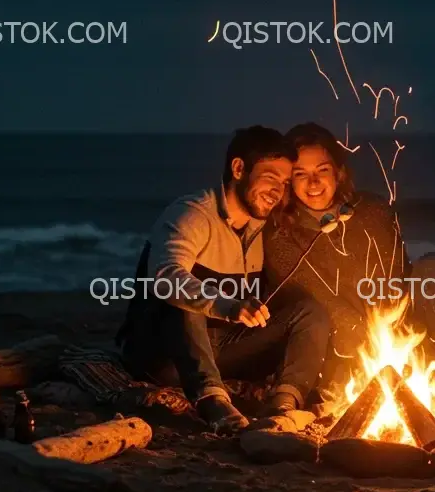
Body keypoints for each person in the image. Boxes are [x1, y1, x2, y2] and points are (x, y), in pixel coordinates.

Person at [263, 122, 435, 429]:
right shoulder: (280, 234)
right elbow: (313, 301)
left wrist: (397, 333)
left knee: (433, 267)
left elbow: (396, 279)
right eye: (300, 174)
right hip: (341, 351)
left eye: (322, 170)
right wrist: (375, 349)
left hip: (398, 333)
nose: (313, 182)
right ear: (288, 181)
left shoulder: (372, 208)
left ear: (338, 171)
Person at [116, 126, 331, 434]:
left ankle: (283, 406)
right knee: (182, 292)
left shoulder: (262, 228)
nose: (278, 191)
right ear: (239, 168)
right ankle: (213, 403)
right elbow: (165, 277)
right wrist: (226, 305)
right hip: (165, 357)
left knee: (310, 313)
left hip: (223, 350)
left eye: (284, 183)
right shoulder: (191, 214)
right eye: (271, 177)